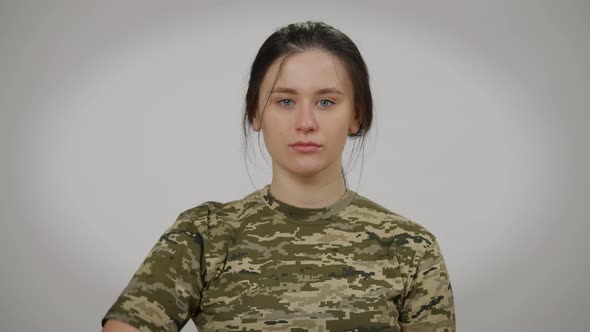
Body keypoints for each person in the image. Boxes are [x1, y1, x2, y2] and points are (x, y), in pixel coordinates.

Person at [101, 21, 455, 332]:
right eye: (285, 101)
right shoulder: (203, 237)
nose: (305, 123)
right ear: (256, 113)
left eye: (326, 102)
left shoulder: (410, 248)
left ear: (356, 115)